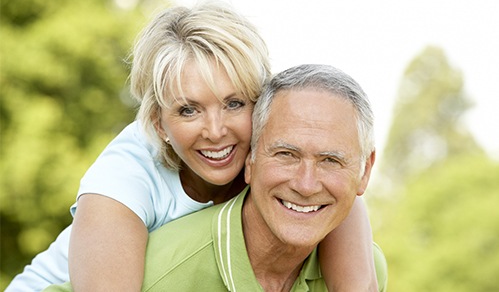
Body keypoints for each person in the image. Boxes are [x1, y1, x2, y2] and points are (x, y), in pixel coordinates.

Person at [6, 1, 378, 292]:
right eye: (189, 109)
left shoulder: (272, 156)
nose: (216, 131)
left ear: (263, 104)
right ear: (158, 123)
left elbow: (335, 193)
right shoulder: (123, 181)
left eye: (234, 103)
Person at [45, 63, 387, 292]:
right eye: (286, 154)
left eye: (330, 161)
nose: (215, 131)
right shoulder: (126, 187)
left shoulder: (361, 266)